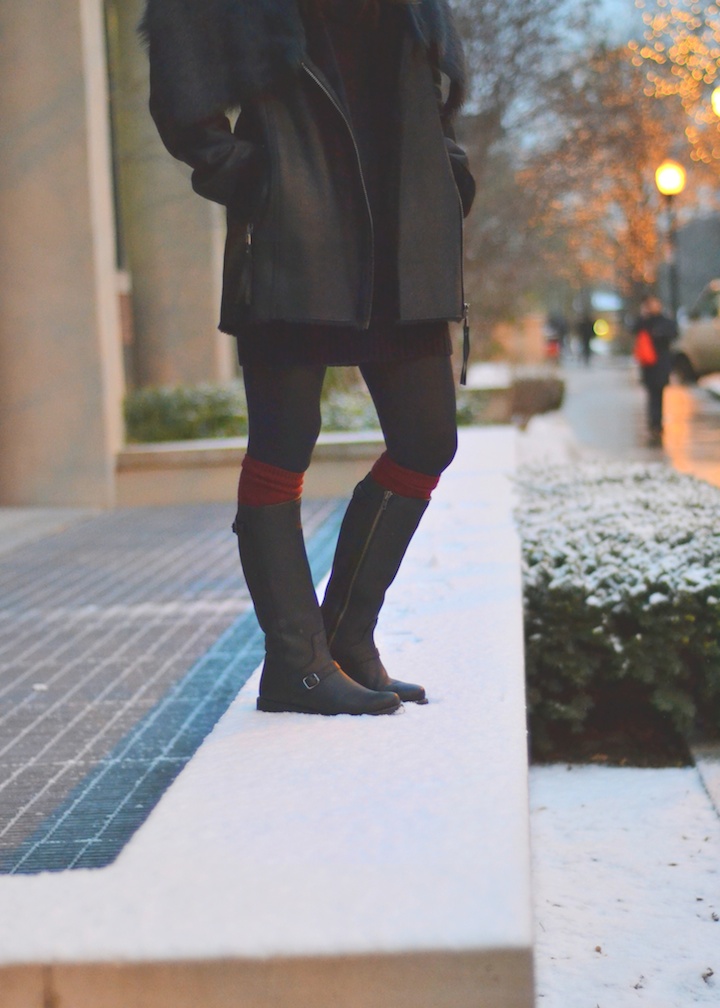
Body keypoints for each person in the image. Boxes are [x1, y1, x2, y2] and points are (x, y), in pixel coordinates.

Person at [141, 0, 476, 715]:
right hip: (296, 232)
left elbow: (430, 90)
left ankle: (347, 640)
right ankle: (294, 665)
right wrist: (249, 178)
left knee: (426, 442)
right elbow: (182, 82)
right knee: (283, 445)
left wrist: (450, 174)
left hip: (400, 237)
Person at [633, 294, 677, 446]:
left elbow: (672, 333)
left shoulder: (664, 322)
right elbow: (634, 329)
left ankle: (656, 423)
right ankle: (654, 423)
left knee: (658, 394)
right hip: (648, 365)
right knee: (652, 395)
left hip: (661, 364)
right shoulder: (645, 322)